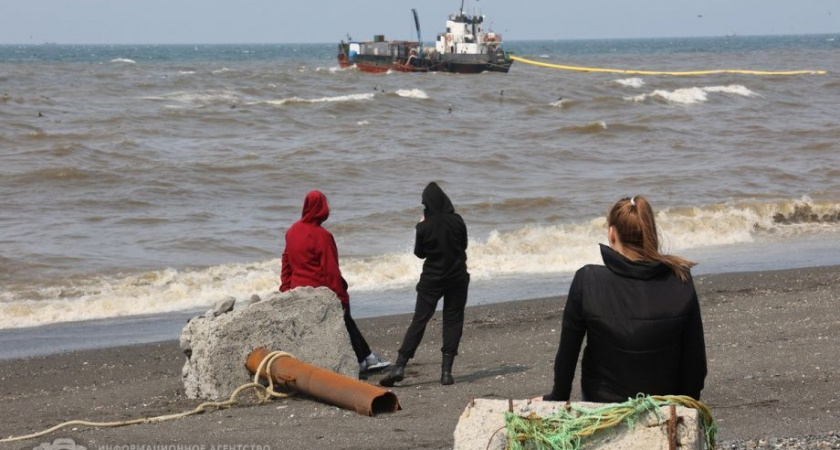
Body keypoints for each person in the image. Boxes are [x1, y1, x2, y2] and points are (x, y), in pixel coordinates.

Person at [540, 195, 707, 402]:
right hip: (664, 405)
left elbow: (568, 353)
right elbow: (695, 361)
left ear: (612, 233)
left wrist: (557, 397)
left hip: (603, 406)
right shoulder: (680, 280)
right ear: (650, 232)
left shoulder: (587, 280)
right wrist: (688, 405)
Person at [280, 190, 390, 373]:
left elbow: (286, 261)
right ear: (321, 208)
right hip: (319, 291)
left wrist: (286, 288)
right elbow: (330, 271)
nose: (329, 208)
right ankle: (365, 358)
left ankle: (366, 357)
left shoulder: (292, 231)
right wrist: (342, 297)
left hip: (298, 290)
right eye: (326, 204)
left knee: (345, 320)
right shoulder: (322, 236)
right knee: (345, 315)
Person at [380, 182, 470, 387]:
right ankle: (446, 373)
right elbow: (463, 245)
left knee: (420, 320)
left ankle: (400, 366)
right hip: (457, 277)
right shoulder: (458, 220)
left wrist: (420, 226)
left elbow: (420, 254)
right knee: (453, 321)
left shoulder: (424, 226)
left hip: (432, 280)